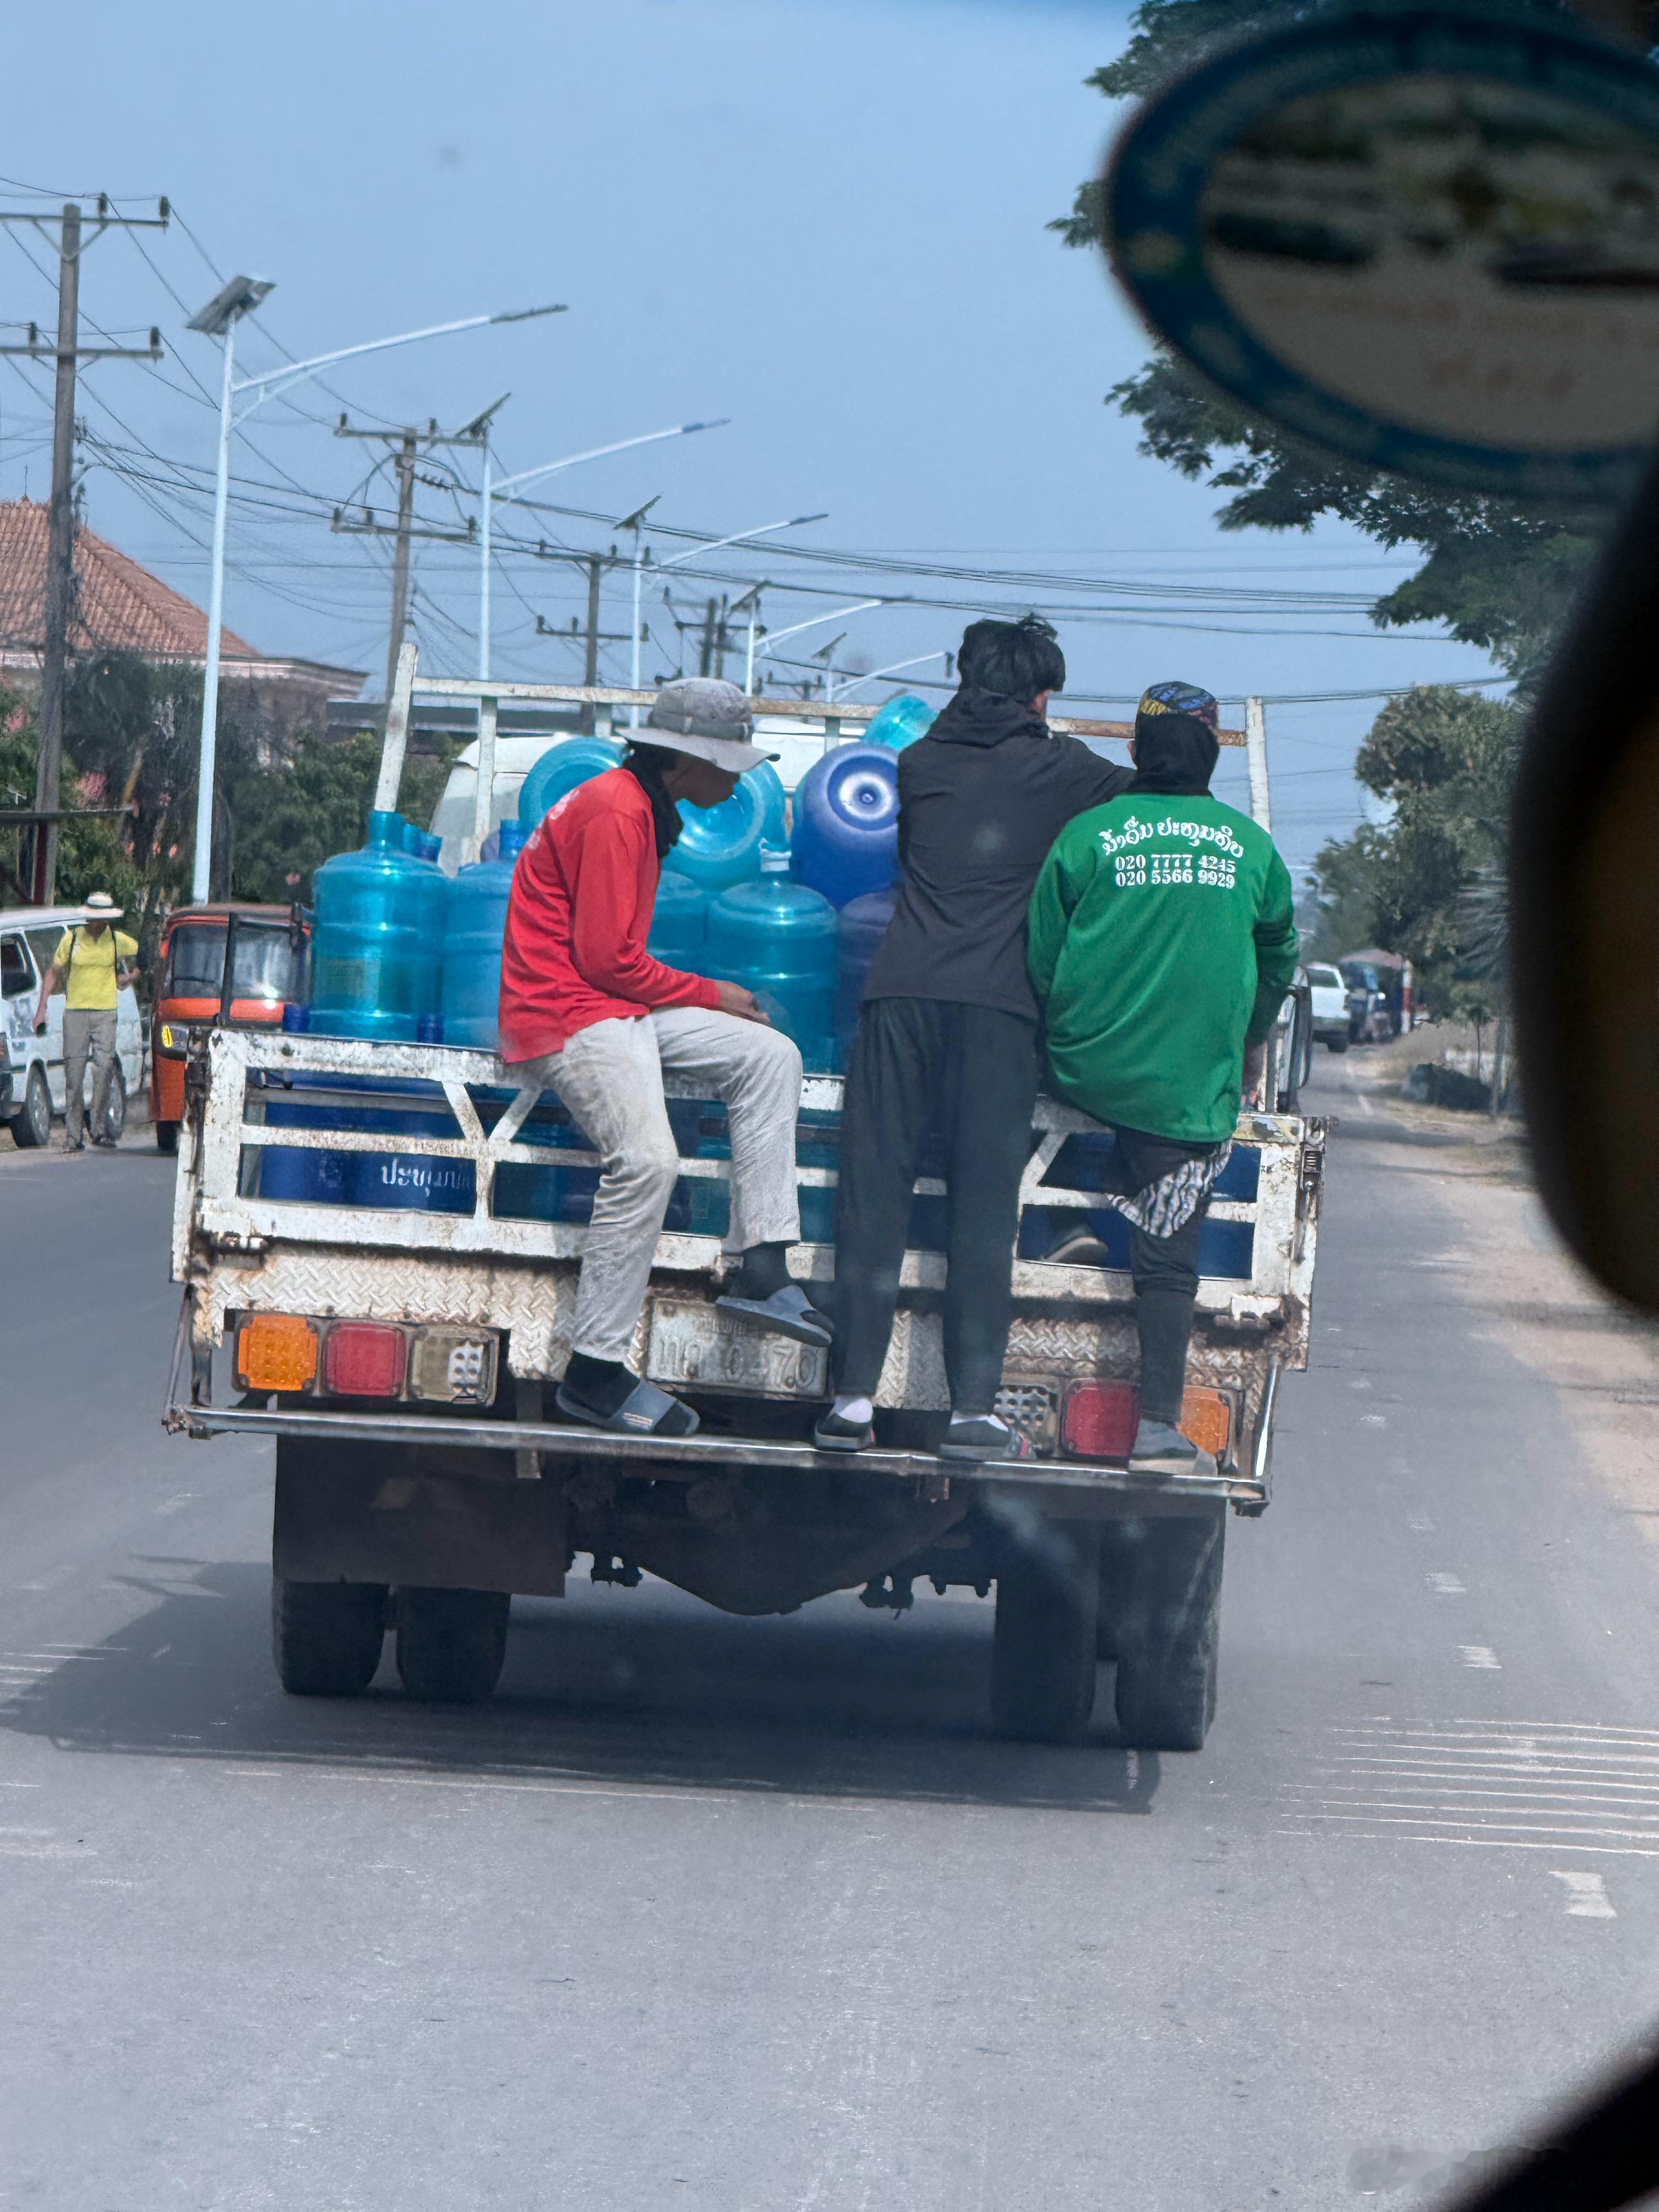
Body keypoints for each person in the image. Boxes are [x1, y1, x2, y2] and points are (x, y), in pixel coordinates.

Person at [819, 614, 1133, 1461]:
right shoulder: (1066, 769)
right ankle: (970, 1413)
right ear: (1038, 695)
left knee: (873, 1195)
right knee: (983, 1208)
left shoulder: (917, 763)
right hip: (997, 1007)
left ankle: (850, 1400)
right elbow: (1139, 808)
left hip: (900, 994)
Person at [499, 676, 831, 1441]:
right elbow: (608, 959)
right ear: (683, 760)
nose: (740, 777)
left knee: (770, 1058)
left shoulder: (646, 807)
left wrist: (705, 1000)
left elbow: (617, 966)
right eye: (730, 763)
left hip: (610, 1004)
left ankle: (763, 1263)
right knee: (647, 1161)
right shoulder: (618, 810)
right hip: (567, 1009)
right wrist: (713, 992)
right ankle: (595, 1369)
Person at [1026, 680, 1300, 1477]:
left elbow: (1040, 959)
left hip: (1080, 1063)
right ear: (1211, 755)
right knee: (1169, 1259)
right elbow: (1278, 957)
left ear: (1136, 752)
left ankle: (1058, 1230)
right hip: (1181, 1095)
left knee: (1046, 1120)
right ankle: (1154, 1426)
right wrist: (1250, 1044)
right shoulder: (1250, 849)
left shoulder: (1088, 834)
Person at [32, 890, 137, 1152]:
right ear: (88, 919)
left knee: (103, 1069)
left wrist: (131, 976)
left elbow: (144, 953)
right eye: (95, 919)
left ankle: (99, 1129)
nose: (99, 925)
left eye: (103, 920)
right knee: (74, 1074)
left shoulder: (116, 940)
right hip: (76, 1013)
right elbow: (53, 972)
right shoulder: (72, 939)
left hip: (105, 1013)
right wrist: (42, 1008)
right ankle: (73, 1136)